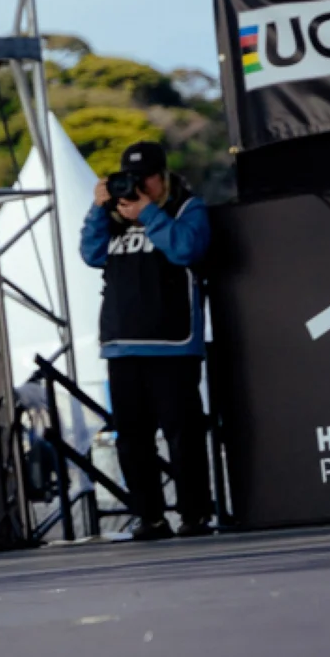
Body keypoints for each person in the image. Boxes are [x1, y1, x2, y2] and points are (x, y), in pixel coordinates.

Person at [79, 140, 212, 540]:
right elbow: (90, 253)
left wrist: (149, 213)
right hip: (122, 344)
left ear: (163, 176)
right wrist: (98, 209)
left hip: (172, 343)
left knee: (182, 434)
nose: (140, 186)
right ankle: (149, 516)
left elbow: (188, 248)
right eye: (132, 179)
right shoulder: (115, 216)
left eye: (148, 178)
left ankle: (195, 514)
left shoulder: (188, 208)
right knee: (133, 441)